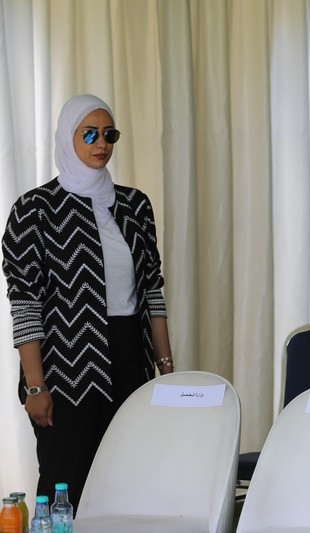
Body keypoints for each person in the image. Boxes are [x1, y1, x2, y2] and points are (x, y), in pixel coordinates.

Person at [2, 94, 174, 509]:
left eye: (109, 134)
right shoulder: (35, 209)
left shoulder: (135, 205)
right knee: (66, 481)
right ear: (68, 137)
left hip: (130, 358)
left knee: (129, 479)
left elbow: (153, 291)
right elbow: (24, 303)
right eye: (90, 134)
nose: (102, 143)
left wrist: (166, 369)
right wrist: (36, 384)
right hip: (66, 365)